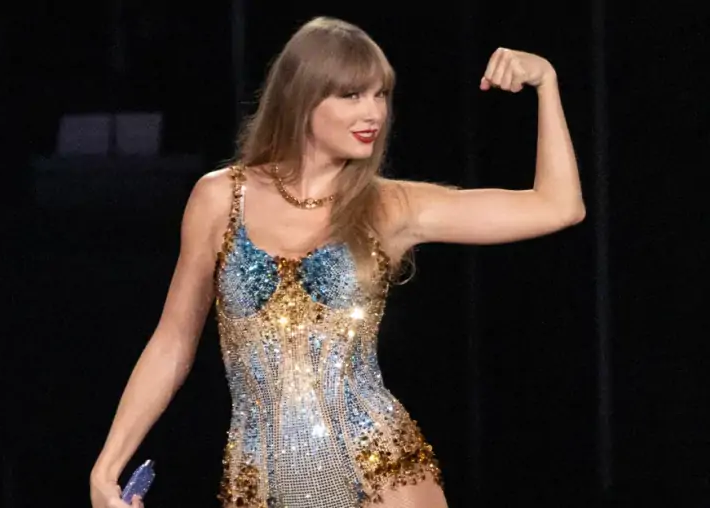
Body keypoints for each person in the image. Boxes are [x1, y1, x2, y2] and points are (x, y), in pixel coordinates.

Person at [89, 15, 584, 508]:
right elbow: (173, 341)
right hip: (258, 487)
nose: (373, 113)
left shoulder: (389, 207)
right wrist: (107, 468)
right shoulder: (220, 198)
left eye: (380, 95)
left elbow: (558, 207)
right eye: (351, 95)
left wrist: (546, 82)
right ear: (301, 97)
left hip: (381, 478)